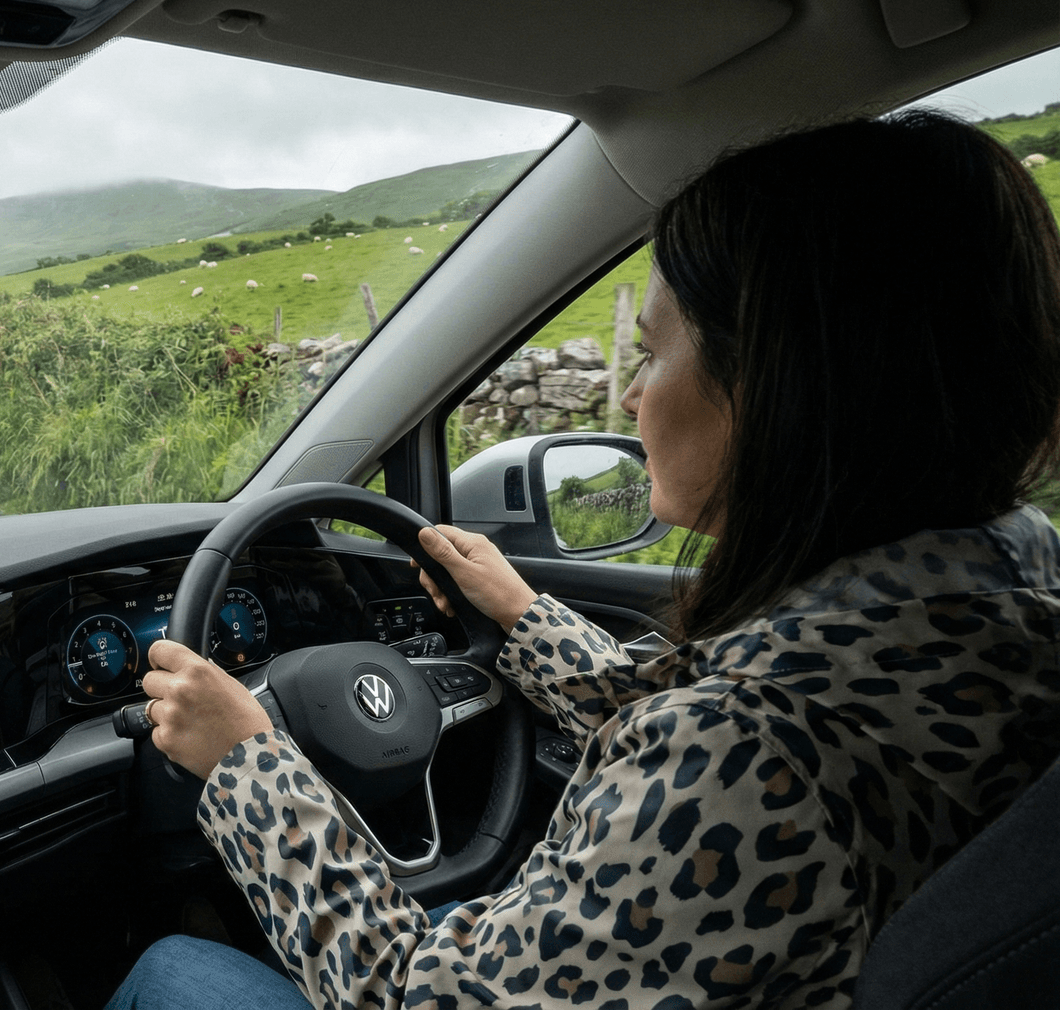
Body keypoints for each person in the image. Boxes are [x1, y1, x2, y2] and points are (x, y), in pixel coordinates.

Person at [104, 109, 1060, 1009]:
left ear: (773, 385)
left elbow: (413, 995)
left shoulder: (744, 760)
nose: (634, 396)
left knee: (172, 969)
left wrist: (248, 763)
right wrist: (522, 615)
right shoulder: (1002, 599)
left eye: (652, 355)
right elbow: (738, 709)